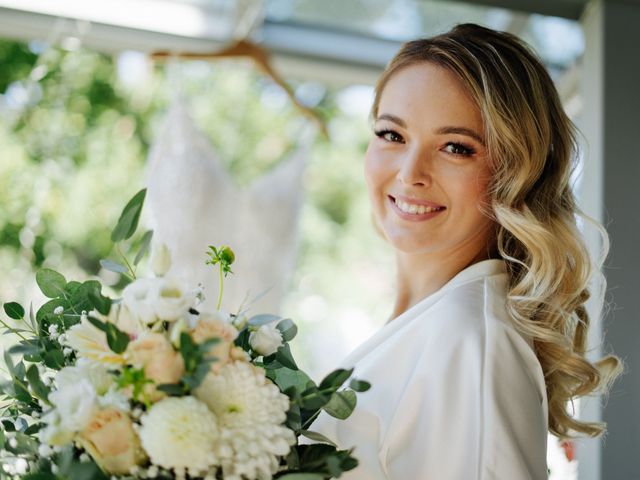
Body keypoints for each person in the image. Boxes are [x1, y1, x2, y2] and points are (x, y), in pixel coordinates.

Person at [305, 23, 623, 479]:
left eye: (456, 147)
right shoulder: (433, 325)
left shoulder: (470, 341)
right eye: (392, 135)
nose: (409, 173)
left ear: (515, 174)